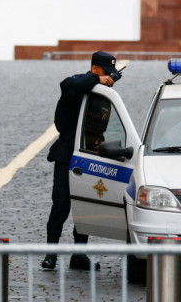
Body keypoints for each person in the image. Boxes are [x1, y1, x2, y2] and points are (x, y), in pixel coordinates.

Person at [41, 51, 118, 270]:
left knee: (86, 208)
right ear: (95, 70)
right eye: (106, 73)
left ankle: (79, 254)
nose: (109, 78)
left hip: (90, 155)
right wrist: (96, 80)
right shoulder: (79, 85)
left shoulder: (103, 93)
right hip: (67, 154)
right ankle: (51, 254)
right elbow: (67, 85)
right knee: (61, 205)